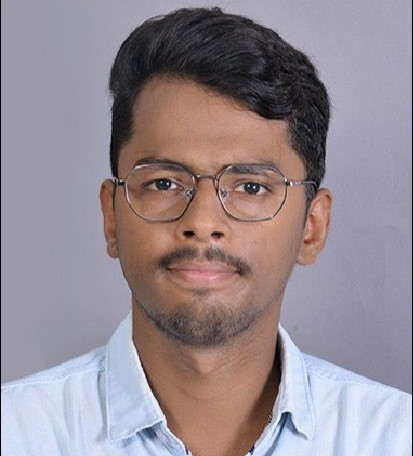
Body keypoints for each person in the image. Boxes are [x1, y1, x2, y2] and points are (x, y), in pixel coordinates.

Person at [2, 6, 411, 456]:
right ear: (112, 216)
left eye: (250, 187)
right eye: (163, 183)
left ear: (311, 227)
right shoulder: (16, 434)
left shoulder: (394, 438)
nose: (201, 223)